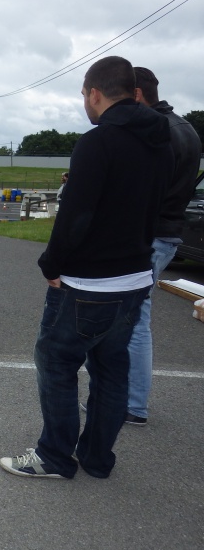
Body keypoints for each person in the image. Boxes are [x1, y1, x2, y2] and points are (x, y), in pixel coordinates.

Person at [0, 56, 172, 480]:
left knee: (57, 363)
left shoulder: (98, 143)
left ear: (95, 93)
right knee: (111, 370)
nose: (84, 103)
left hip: (85, 283)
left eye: (83, 95)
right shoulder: (160, 143)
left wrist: (51, 263)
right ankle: (97, 457)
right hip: (135, 278)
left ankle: (55, 456)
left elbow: (76, 215)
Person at [122, 67, 202, 426]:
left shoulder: (154, 132)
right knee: (137, 316)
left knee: (134, 319)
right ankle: (131, 399)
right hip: (169, 231)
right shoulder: (186, 129)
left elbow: (139, 190)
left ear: (137, 94)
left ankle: (132, 404)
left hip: (148, 233)